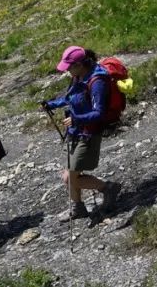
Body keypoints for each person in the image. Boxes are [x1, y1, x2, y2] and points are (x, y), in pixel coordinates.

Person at [43, 46, 115, 222]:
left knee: (70, 177)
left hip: (88, 134)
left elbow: (99, 113)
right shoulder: (78, 76)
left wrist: (77, 120)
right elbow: (70, 98)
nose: (66, 70)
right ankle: (79, 208)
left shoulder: (97, 81)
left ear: (79, 64)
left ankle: (107, 188)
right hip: (75, 133)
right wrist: (52, 104)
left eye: (69, 66)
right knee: (70, 176)